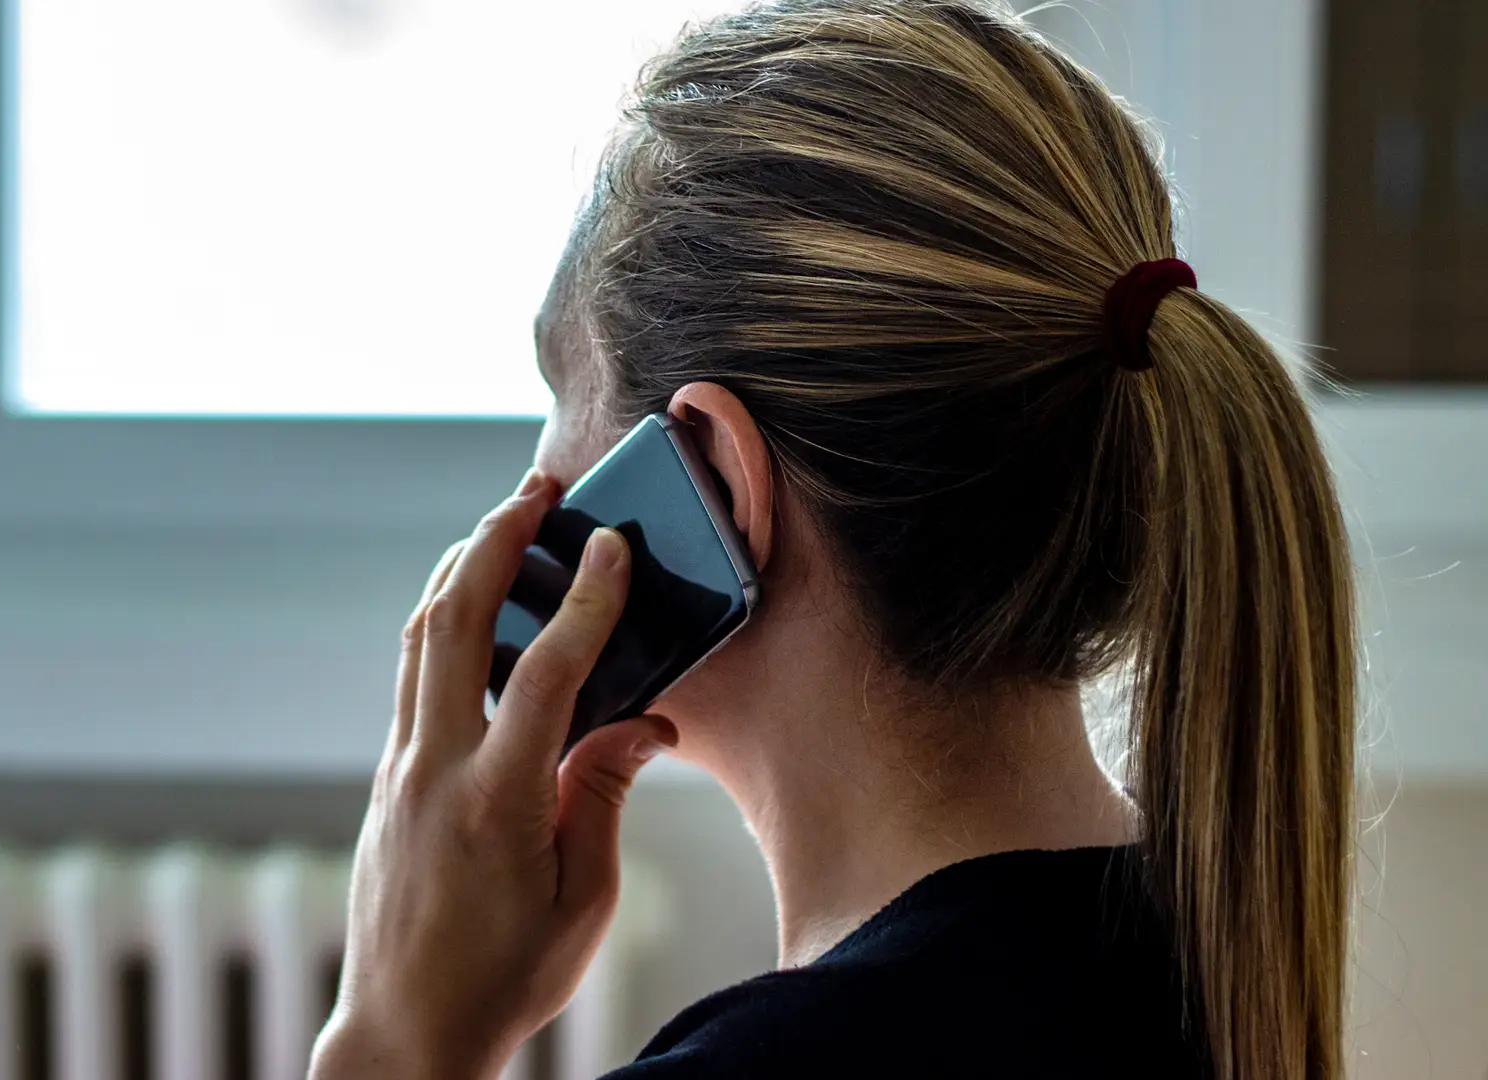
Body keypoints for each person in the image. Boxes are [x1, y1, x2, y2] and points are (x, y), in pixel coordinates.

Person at [310, 1, 1354, 1077]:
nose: (533, 483)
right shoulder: (1200, 959)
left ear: (711, 472)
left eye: (557, 386)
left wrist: (397, 1036)